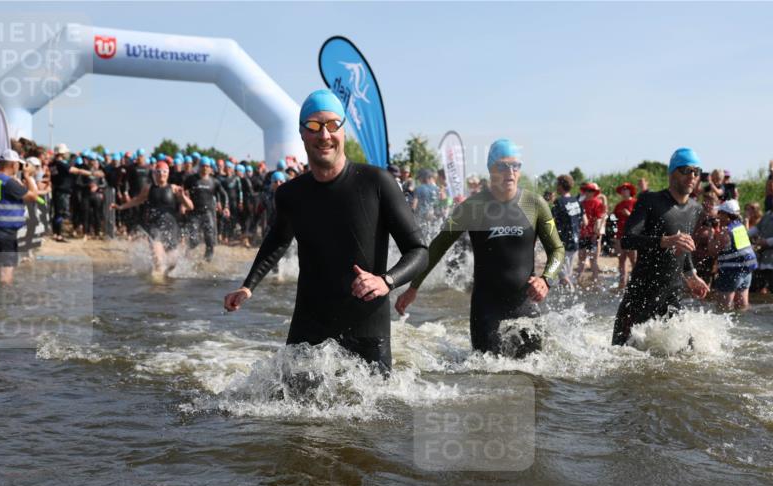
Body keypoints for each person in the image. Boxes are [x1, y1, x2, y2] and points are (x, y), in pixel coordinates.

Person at [224, 89, 427, 374]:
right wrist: (249, 285)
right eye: (314, 126)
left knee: (377, 413)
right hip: (309, 326)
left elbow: (419, 250)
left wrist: (386, 281)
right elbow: (278, 240)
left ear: (343, 130)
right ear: (302, 133)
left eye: (333, 125)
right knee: (290, 417)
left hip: (367, 328)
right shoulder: (290, 195)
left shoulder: (377, 183)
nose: (324, 135)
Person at [395, 139, 564, 357]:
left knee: (535, 377)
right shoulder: (471, 208)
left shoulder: (534, 204)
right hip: (486, 309)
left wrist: (546, 279)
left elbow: (557, 250)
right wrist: (413, 287)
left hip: (525, 306)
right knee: (486, 378)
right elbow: (436, 248)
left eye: (515, 166)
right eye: (502, 166)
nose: (510, 172)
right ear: (491, 169)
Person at [611, 148, 710, 346]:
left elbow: (685, 245)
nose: (692, 176)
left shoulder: (695, 209)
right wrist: (664, 241)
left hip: (671, 294)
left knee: (690, 355)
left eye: (696, 172)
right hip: (641, 294)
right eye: (686, 170)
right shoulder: (651, 201)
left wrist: (691, 275)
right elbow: (628, 239)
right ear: (672, 172)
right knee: (619, 354)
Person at [112, 160, 192, 276]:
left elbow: (190, 206)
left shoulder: (174, 189)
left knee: (172, 263)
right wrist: (121, 206)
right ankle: (157, 289)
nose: (161, 174)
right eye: (158, 171)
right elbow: (136, 200)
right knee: (158, 261)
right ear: (154, 173)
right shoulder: (148, 189)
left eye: (164, 171)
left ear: (168, 173)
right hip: (155, 228)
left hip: (172, 228)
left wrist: (183, 197)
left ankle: (161, 277)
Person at [0, 149, 39, 284]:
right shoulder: (9, 183)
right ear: (13, 165)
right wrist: (28, 176)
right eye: (18, 165)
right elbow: (33, 196)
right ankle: (4, 300)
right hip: (5, 234)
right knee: (6, 274)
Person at [709, 200, 757, 311]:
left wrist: (711, 233)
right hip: (746, 272)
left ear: (726, 215)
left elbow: (712, 251)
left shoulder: (726, 231)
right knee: (741, 307)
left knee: (722, 309)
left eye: (720, 213)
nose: (718, 216)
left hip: (731, 273)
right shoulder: (740, 227)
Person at [182, 157, 228, 261]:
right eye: (203, 166)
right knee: (193, 240)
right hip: (194, 213)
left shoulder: (214, 181)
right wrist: (183, 203)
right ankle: (186, 257)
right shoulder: (191, 179)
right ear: (199, 167)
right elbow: (182, 191)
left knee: (210, 241)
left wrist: (225, 207)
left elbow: (224, 194)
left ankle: (207, 262)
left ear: (210, 168)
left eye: (207, 166)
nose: (205, 168)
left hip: (208, 213)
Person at [550, 174, 583, 289]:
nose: (556, 187)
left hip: (563, 242)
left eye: (557, 184)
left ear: (561, 185)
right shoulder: (576, 201)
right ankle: (567, 299)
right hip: (575, 241)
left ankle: (571, 291)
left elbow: (550, 221)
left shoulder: (559, 202)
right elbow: (584, 221)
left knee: (560, 271)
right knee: (566, 272)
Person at [576, 182, 605, 285]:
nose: (588, 192)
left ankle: (595, 280)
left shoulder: (597, 203)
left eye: (591, 190)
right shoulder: (581, 203)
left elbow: (599, 219)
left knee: (593, 259)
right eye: (587, 190)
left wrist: (596, 234)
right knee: (581, 258)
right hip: (582, 234)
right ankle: (578, 280)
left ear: (594, 192)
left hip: (593, 235)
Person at [613, 182, 637, 290]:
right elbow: (613, 220)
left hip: (632, 235)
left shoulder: (636, 202)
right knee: (621, 259)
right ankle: (622, 283)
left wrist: (629, 215)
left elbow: (640, 220)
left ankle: (637, 282)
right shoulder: (619, 205)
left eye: (625, 189)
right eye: (622, 190)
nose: (623, 191)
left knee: (634, 260)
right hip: (620, 235)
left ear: (630, 191)